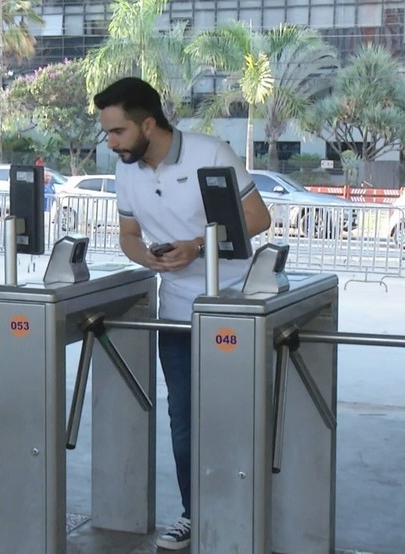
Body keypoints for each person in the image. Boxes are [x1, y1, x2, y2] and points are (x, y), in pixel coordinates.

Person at [93, 77, 271, 551]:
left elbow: (258, 218)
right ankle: (194, 513)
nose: (110, 142)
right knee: (184, 417)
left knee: (237, 413)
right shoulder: (128, 172)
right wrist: (146, 258)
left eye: (117, 132)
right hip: (176, 312)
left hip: (234, 304)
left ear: (148, 123)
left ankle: (245, 508)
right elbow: (129, 234)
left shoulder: (209, 154)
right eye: (107, 133)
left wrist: (196, 245)